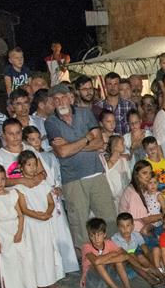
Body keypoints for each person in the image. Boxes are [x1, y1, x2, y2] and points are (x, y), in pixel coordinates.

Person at [45, 84, 116, 249]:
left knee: (109, 218)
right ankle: (86, 260)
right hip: (72, 179)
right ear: (52, 102)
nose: (60, 102)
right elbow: (62, 152)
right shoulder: (51, 122)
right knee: (79, 224)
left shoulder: (85, 113)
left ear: (70, 98)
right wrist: (86, 139)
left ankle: (113, 255)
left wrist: (71, 144)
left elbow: (99, 143)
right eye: (56, 99)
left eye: (63, 97)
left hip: (95, 173)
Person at [22, 128, 78, 274]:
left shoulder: (49, 155)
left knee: (61, 228)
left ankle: (68, 264)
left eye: (38, 138)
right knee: (49, 231)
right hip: (42, 195)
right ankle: (53, 268)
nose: (36, 142)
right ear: (26, 141)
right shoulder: (29, 158)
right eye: (32, 139)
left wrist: (58, 186)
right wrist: (48, 188)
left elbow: (57, 173)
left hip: (55, 194)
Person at [0, 164, 36, 288]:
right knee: (8, 260)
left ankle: (24, 285)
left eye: (2, 179)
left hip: (15, 227)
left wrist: (19, 232)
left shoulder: (12, 194)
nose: (0, 182)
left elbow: (20, 215)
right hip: (1, 230)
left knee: (22, 257)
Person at [15, 150, 63, 288]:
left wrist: (47, 213)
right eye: (28, 165)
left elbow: (51, 202)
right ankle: (38, 283)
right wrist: (38, 216)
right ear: (21, 167)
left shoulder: (43, 184)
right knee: (34, 252)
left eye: (34, 164)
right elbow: (23, 208)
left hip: (45, 222)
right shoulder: (20, 187)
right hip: (32, 224)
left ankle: (50, 279)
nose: (32, 168)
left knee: (48, 250)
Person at [79, 218, 141, 288]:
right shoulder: (86, 247)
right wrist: (112, 254)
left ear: (104, 234)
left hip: (107, 278)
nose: (96, 239)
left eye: (99, 235)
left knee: (118, 261)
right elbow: (96, 261)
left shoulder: (109, 243)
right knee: (98, 264)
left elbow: (125, 255)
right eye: (92, 236)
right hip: (92, 282)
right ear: (89, 236)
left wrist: (109, 259)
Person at [111, 213, 165, 286]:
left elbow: (146, 251)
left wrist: (153, 265)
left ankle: (161, 276)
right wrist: (142, 267)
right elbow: (125, 255)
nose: (125, 229)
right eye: (122, 226)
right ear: (118, 227)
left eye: (128, 225)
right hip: (122, 263)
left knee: (141, 256)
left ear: (133, 226)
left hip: (135, 259)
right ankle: (150, 279)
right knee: (131, 255)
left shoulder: (136, 235)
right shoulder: (115, 239)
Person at [102, 133, 131, 210]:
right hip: (115, 196)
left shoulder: (123, 159)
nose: (124, 145)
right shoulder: (109, 163)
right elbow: (108, 179)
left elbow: (128, 177)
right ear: (115, 146)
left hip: (125, 193)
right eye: (122, 143)